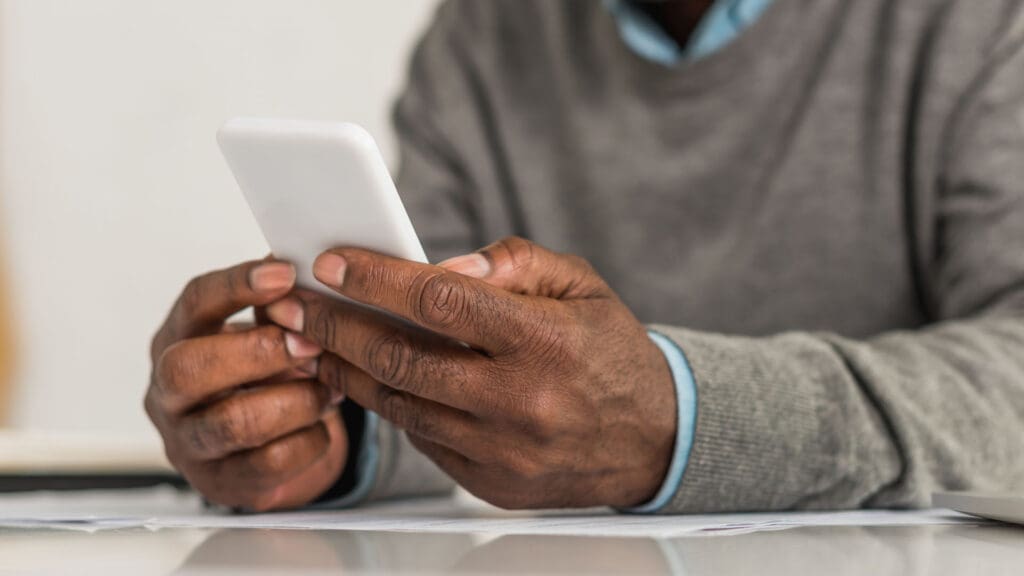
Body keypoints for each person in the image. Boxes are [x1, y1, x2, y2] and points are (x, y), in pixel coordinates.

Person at [146, 0, 1024, 513]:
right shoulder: (484, 37)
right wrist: (332, 428)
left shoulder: (983, 27)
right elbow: (458, 374)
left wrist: (682, 418)